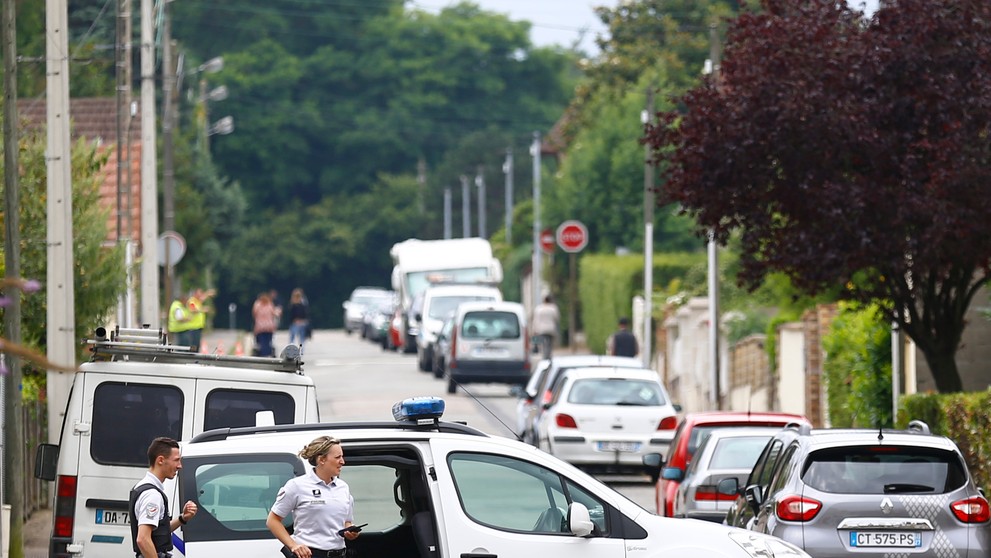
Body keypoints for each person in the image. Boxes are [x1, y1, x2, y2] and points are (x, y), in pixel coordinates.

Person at [267, 436, 360, 558]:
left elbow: (346, 521)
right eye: (338, 457)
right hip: (310, 555)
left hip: (340, 554)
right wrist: (293, 545)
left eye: (342, 457)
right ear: (321, 459)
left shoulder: (343, 487)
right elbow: (273, 521)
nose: (342, 461)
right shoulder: (297, 486)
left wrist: (349, 531)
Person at [129, 437, 198, 558]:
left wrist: (183, 518)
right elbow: (143, 539)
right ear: (160, 460)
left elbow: (159, 532)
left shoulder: (142, 487)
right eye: (176, 460)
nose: (180, 466)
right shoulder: (152, 495)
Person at [186, 288, 216, 352]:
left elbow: (202, 298)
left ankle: (195, 359)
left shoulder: (197, 301)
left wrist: (207, 294)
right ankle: (192, 359)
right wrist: (203, 309)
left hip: (198, 327)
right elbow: (193, 310)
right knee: (194, 345)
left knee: (197, 345)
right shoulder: (192, 301)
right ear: (195, 294)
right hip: (193, 327)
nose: (201, 295)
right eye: (199, 293)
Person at [531, 294, 560, 359]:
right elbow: (557, 318)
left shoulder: (539, 308)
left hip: (541, 329)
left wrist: (534, 330)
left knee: (543, 344)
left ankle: (544, 357)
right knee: (550, 344)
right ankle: (549, 356)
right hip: (551, 329)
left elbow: (535, 320)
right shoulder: (553, 308)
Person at [252, 292, 280, 357]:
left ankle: (263, 354)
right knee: (268, 342)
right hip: (269, 326)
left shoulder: (257, 304)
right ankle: (268, 354)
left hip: (260, 327)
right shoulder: (270, 304)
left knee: (262, 342)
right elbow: (274, 313)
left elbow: (254, 314)